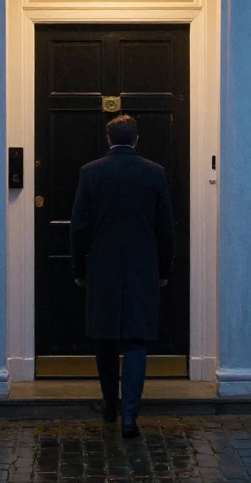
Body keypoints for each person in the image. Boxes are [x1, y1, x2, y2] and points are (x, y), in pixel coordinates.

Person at [70, 114, 176, 438]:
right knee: (135, 342)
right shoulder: (154, 173)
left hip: (103, 267)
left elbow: (79, 228)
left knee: (105, 339)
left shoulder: (91, 173)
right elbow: (166, 228)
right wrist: (164, 269)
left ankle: (109, 405)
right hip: (142, 267)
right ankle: (130, 415)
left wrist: (79, 268)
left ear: (108, 139)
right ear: (136, 140)